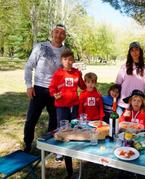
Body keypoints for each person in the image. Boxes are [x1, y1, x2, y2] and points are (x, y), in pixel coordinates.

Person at [23, 24, 66, 152]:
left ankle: (49, 144)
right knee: (31, 119)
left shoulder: (66, 51)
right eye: (56, 32)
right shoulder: (40, 46)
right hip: (39, 88)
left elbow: (66, 72)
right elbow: (29, 66)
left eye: (62, 33)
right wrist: (29, 85)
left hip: (56, 91)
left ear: (65, 36)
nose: (59, 35)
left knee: (54, 119)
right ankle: (27, 145)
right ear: (52, 33)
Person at [49, 49, 86, 178]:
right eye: (65, 59)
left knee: (75, 128)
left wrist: (82, 77)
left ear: (73, 61)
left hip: (74, 106)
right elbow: (52, 88)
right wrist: (55, 94)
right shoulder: (58, 73)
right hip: (61, 106)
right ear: (61, 61)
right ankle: (61, 153)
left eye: (70, 59)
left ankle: (75, 149)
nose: (68, 62)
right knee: (62, 129)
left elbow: (83, 87)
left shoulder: (76, 73)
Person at [115, 42, 145, 113]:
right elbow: (118, 84)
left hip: (136, 105)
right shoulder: (124, 67)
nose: (134, 52)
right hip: (122, 104)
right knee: (118, 124)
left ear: (140, 51)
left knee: (135, 124)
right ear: (129, 52)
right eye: (132, 50)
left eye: (136, 49)